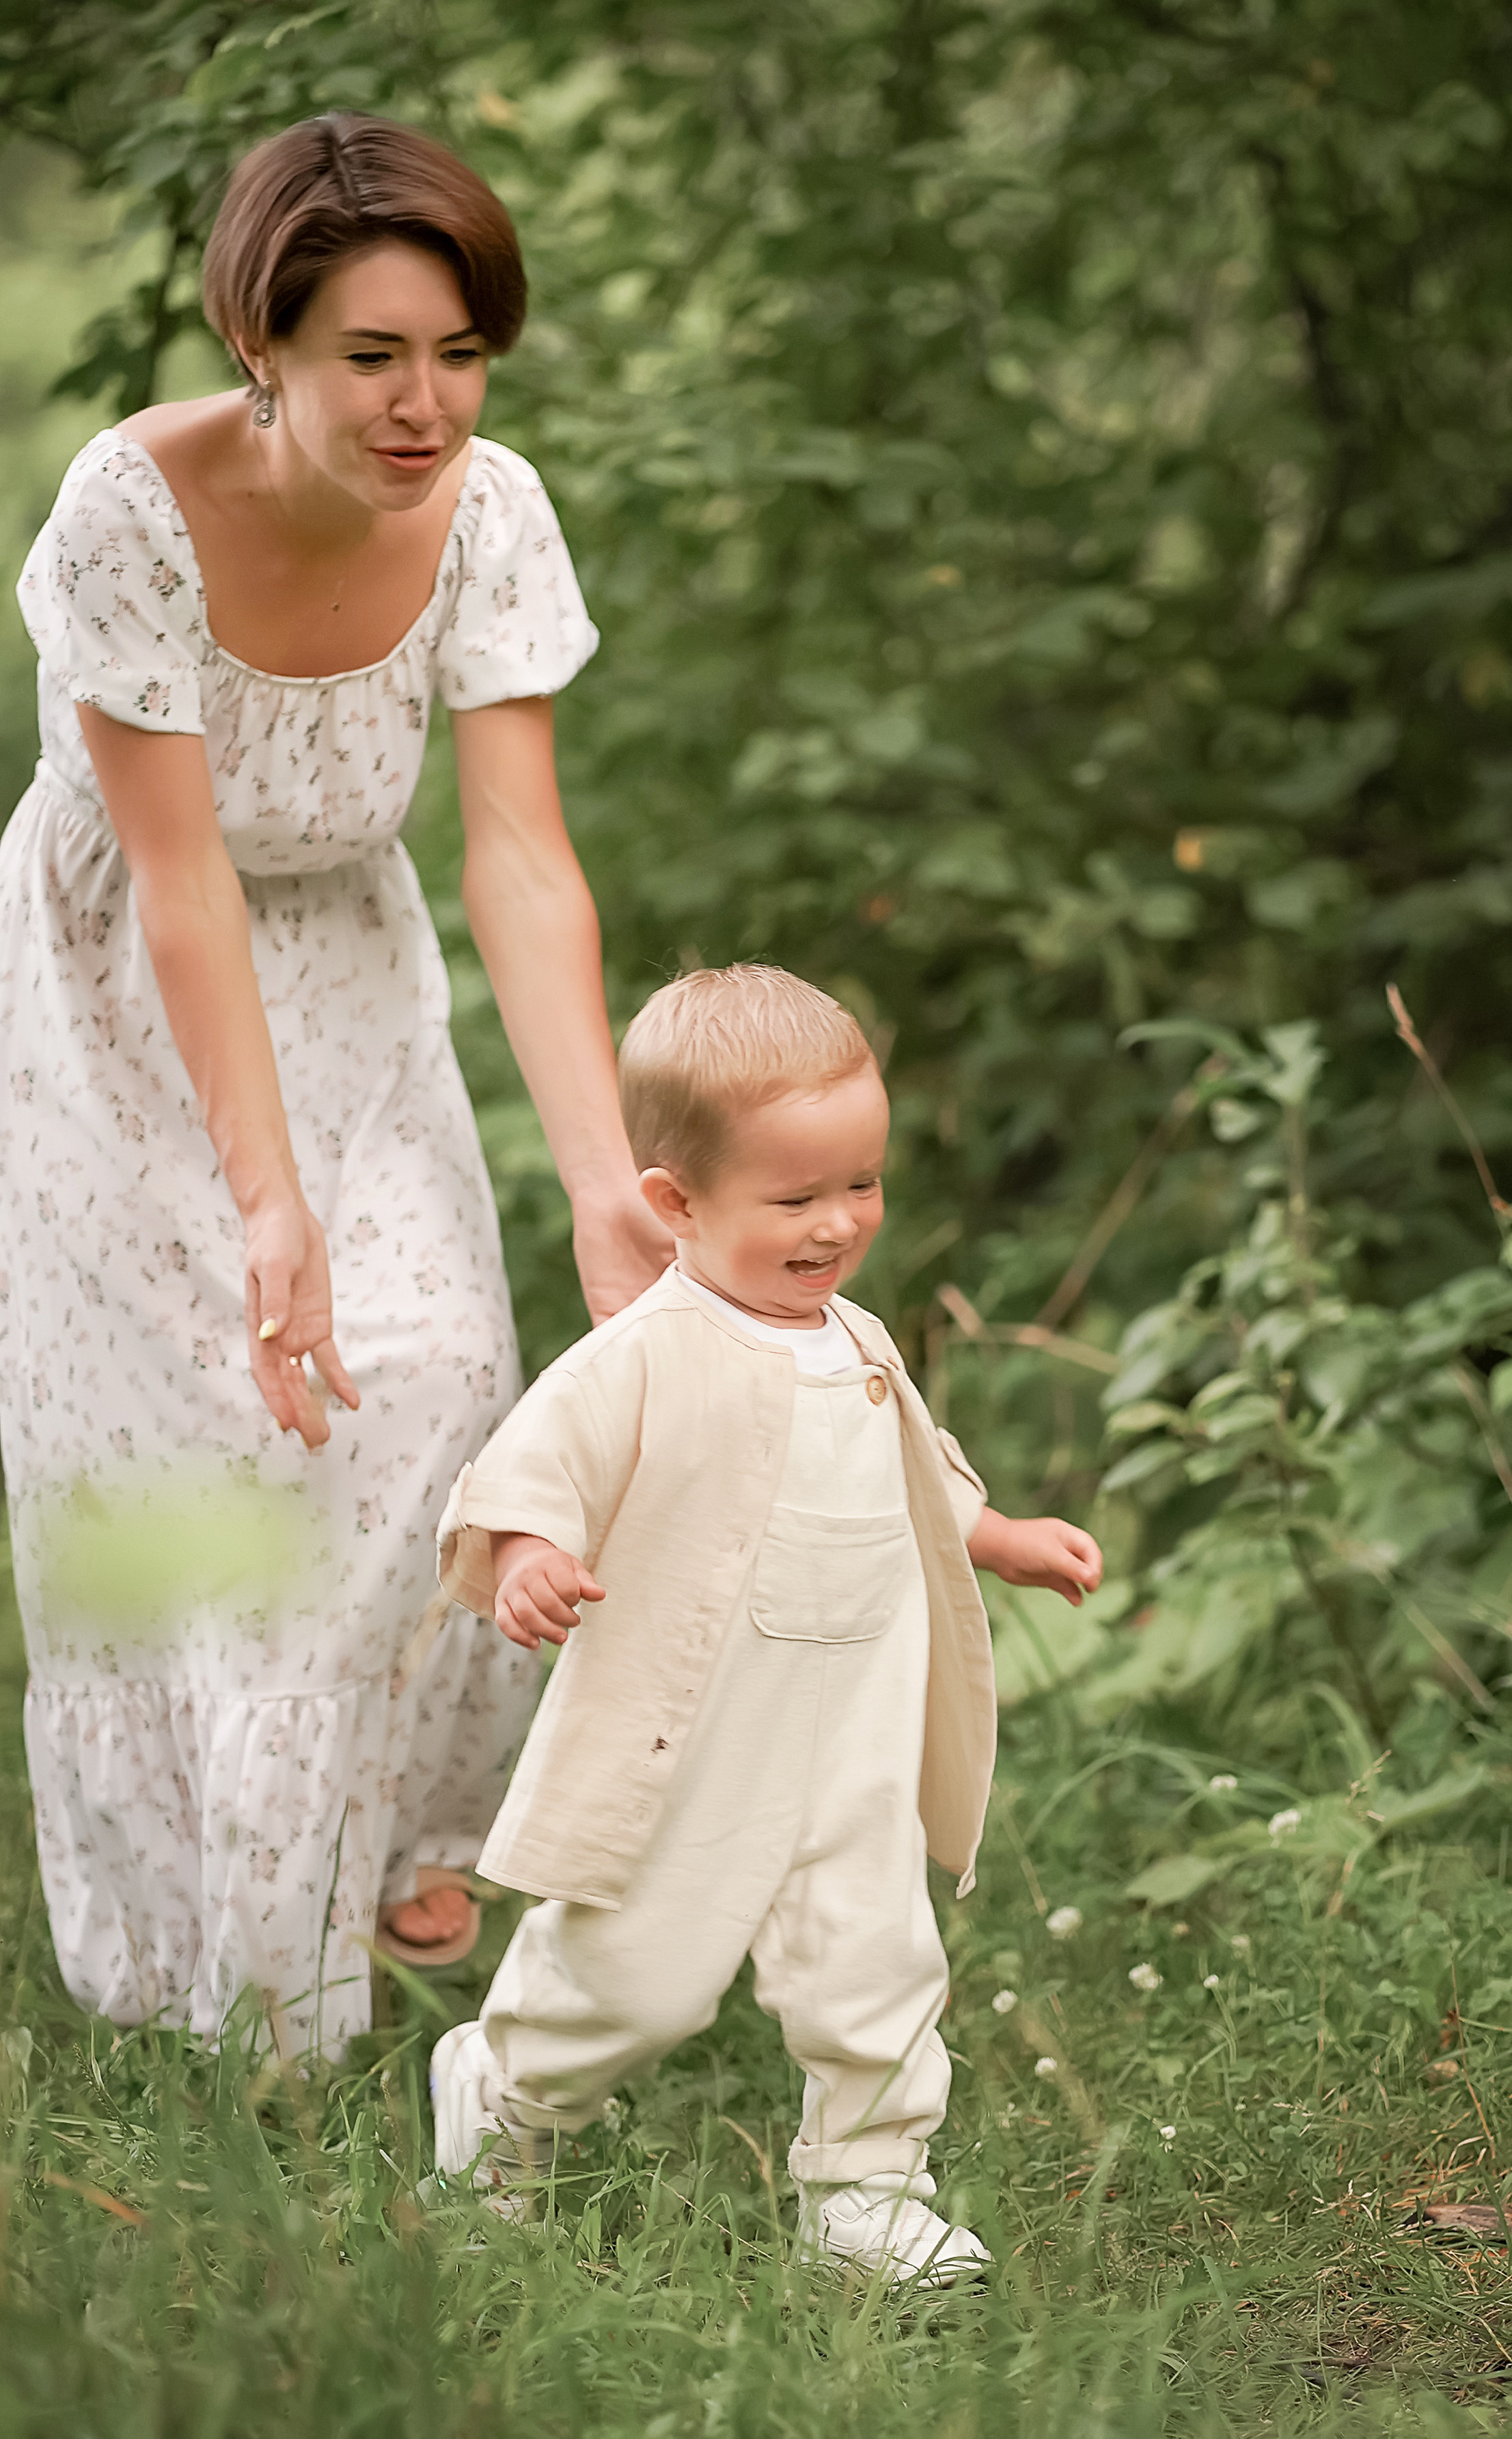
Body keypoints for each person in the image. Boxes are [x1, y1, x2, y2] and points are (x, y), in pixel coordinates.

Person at [0, 113, 668, 2056]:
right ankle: (229, 2003)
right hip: (124, 988)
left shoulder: (490, 511)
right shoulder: (126, 511)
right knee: (206, 1449)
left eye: (458, 354)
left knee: (440, 1367)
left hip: (353, 983)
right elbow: (183, 879)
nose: (424, 403)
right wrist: (264, 1202)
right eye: (373, 356)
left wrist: (601, 1174)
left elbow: (521, 859)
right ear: (261, 346)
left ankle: (380, 1843)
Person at [428, 965, 1103, 2283]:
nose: (838, 1223)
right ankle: (506, 2094)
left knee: (878, 1964)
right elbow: (532, 1468)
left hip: (854, 1723)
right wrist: (528, 1557)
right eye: (795, 1198)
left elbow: (916, 1471)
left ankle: (868, 2187)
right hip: (705, 1735)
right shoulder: (646, 1349)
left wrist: (1000, 1537)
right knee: (639, 1976)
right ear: (673, 1202)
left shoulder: (856, 1339)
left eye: (863, 1183)